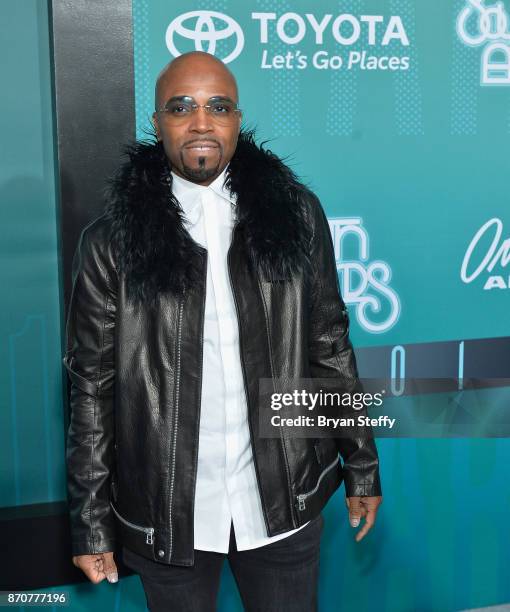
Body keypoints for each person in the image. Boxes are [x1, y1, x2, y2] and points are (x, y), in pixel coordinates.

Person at [64, 51, 382, 611]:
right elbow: (91, 388)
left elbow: (329, 345)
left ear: (238, 119)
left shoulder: (297, 215)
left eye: (218, 106)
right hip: (168, 513)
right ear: (158, 121)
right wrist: (91, 522)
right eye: (181, 107)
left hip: (284, 498)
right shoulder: (110, 244)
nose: (201, 121)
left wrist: (361, 465)